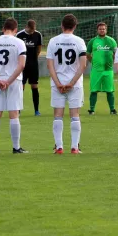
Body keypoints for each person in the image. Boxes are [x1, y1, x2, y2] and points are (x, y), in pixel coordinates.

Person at [0, 18, 28, 154]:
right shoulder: (19, 43)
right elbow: (21, 65)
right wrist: (8, 81)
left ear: (3, 29)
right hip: (13, 82)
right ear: (15, 30)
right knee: (14, 114)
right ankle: (16, 147)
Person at [46, 14, 87, 154]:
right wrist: (72, 83)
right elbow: (83, 65)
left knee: (58, 114)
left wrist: (58, 83)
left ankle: (59, 147)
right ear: (75, 26)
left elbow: (50, 65)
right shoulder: (80, 41)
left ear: (62, 26)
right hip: (74, 84)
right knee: (74, 114)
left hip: (58, 84)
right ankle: (75, 147)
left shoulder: (53, 41)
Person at [86, 22, 118, 115]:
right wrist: (94, 62)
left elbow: (116, 54)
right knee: (94, 90)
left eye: (103, 29)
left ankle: (112, 110)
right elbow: (88, 54)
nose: (102, 30)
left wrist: (113, 62)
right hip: (96, 70)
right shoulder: (92, 41)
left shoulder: (111, 41)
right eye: (100, 29)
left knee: (110, 90)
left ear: (106, 30)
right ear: (97, 30)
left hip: (108, 70)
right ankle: (91, 110)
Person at [17, 20, 43, 116]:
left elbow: (39, 48)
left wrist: (34, 58)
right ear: (26, 27)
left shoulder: (38, 35)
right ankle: (18, 110)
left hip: (33, 65)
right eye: (31, 30)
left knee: (34, 86)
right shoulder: (19, 35)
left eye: (33, 30)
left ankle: (36, 110)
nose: (32, 32)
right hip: (22, 65)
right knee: (21, 87)